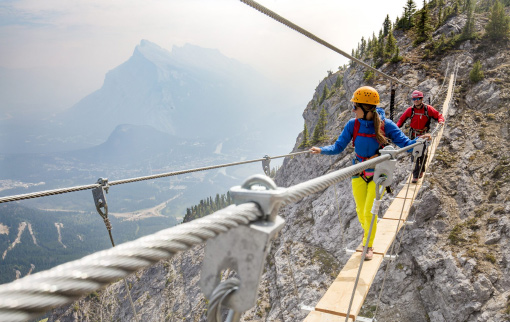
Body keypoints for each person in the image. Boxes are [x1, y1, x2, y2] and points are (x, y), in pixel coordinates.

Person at [310, 86, 428, 261]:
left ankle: (368, 245)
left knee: (368, 212)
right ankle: (369, 236)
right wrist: (321, 150)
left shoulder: (385, 125)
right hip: (358, 172)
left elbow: (405, 144)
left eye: (355, 106)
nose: (353, 110)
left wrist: (419, 141)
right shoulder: (353, 124)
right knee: (360, 211)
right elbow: (338, 147)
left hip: (377, 174)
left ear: (366, 108)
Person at [396, 90, 445, 183]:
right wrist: (395, 128)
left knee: (423, 154)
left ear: (422, 99)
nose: (416, 100)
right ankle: (415, 175)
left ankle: (422, 169)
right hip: (414, 135)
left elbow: (438, 115)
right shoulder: (410, 110)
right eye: (414, 99)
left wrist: (441, 121)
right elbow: (401, 120)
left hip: (424, 134)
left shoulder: (428, 109)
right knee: (414, 155)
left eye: (418, 98)